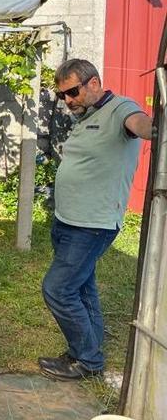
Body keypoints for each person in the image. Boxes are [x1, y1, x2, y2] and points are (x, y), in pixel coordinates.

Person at [38, 59, 152, 380]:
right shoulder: (87, 115)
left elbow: (140, 124)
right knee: (83, 287)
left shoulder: (119, 109)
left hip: (93, 225)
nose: (67, 100)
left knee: (57, 289)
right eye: (62, 96)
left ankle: (88, 359)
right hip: (67, 221)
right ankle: (83, 349)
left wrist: (154, 126)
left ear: (93, 83)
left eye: (72, 92)